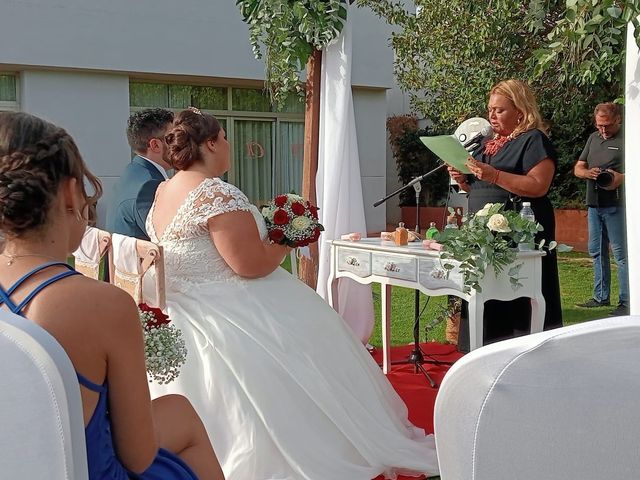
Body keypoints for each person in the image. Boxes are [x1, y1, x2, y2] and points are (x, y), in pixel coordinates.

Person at [147, 108, 440, 480]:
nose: (227, 145)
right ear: (209, 144)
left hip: (181, 309)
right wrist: (288, 239)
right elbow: (248, 265)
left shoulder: (164, 190)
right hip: (231, 310)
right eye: (223, 137)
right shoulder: (214, 194)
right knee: (306, 360)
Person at [0, 112, 224, 480]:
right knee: (181, 413)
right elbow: (138, 454)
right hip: (80, 470)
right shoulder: (102, 304)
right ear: (72, 194)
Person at [448, 79, 563, 349]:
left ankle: (522, 348)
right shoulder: (486, 144)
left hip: (520, 230)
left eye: (499, 110)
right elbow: (482, 187)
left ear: (520, 111)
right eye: (490, 109)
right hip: (484, 234)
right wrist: (463, 179)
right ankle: (481, 347)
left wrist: (494, 174)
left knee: (518, 295)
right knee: (485, 295)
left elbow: (538, 186)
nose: (491, 115)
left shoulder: (534, 140)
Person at [573, 102, 628, 317]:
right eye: (599, 125)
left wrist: (620, 178)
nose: (603, 130)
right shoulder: (593, 138)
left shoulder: (629, 138)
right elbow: (578, 167)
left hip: (616, 204)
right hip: (594, 204)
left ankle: (626, 301)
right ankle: (600, 296)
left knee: (621, 255)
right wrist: (588, 173)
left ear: (618, 120)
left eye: (607, 125)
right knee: (596, 251)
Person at [106, 108, 174, 240]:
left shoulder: (131, 173)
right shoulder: (150, 185)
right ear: (155, 145)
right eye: (172, 138)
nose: (179, 143)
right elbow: (169, 241)